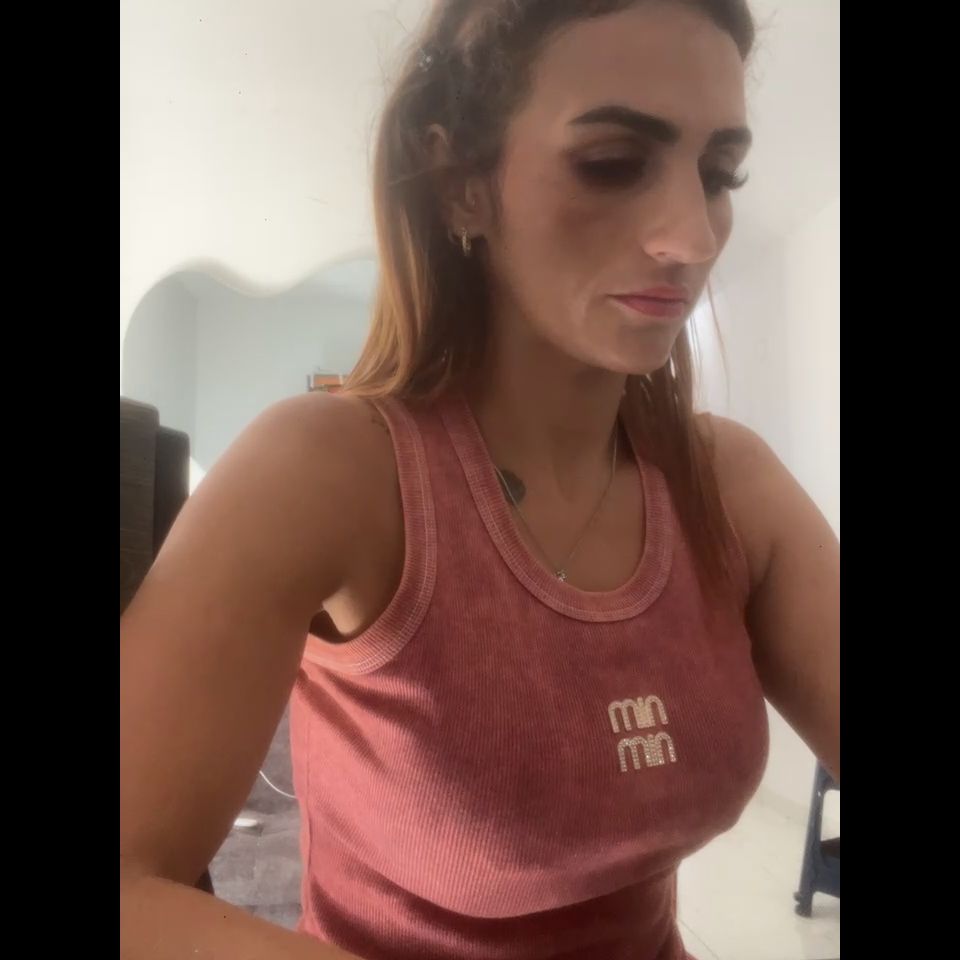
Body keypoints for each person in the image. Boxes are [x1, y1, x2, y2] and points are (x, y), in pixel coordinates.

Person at [119, 2, 840, 958]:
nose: (693, 237)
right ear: (461, 185)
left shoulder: (731, 489)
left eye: (718, 174)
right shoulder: (327, 472)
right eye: (612, 162)